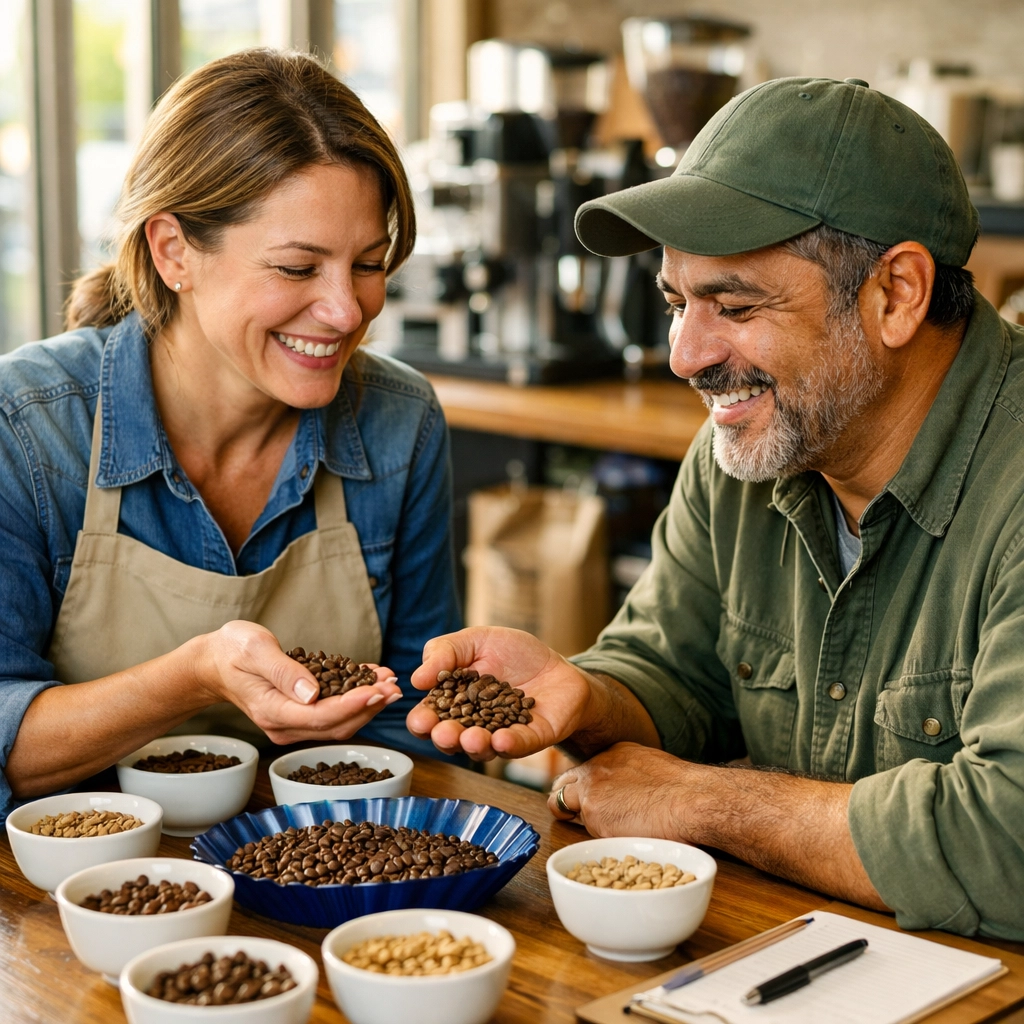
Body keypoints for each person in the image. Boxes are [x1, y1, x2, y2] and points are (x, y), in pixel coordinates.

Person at [408, 77, 1024, 940]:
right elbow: (678, 671)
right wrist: (585, 696)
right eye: (677, 303)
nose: (685, 355)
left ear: (897, 294)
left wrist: (707, 802)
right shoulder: (752, 443)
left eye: (734, 306)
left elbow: (1008, 839)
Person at [0, 48, 460, 819]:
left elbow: (416, 724)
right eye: (297, 268)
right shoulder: (28, 425)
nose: (347, 311)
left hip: (323, 852)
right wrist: (194, 676)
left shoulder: (400, 422)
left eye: (368, 264)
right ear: (173, 251)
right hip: (77, 873)